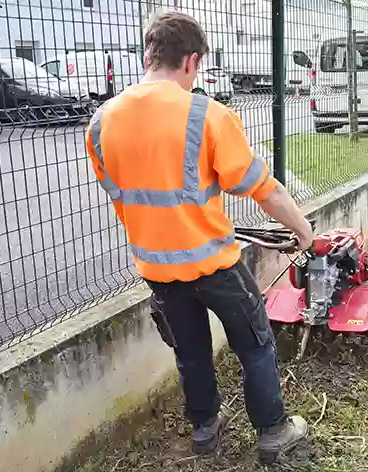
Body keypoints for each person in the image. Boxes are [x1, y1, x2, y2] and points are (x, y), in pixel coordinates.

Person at [84, 11, 313, 464]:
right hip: (214, 265)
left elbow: (123, 201)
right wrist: (303, 231)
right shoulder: (207, 114)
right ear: (190, 61)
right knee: (256, 344)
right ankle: (273, 432)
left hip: (157, 269)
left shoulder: (100, 123)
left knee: (190, 353)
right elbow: (263, 189)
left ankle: (205, 429)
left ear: (149, 53)